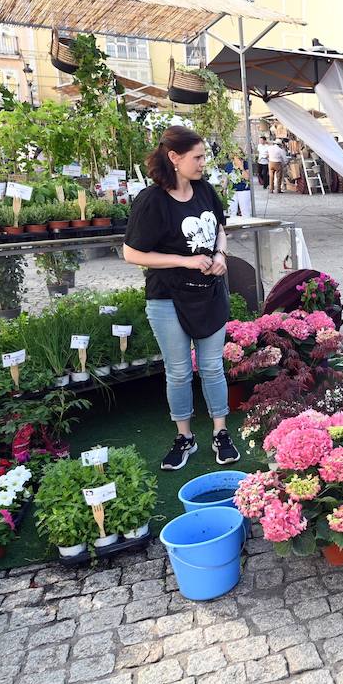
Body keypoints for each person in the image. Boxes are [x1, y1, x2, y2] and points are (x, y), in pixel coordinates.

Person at [123, 126, 240, 471]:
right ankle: (184, 437)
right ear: (174, 158)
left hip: (209, 296)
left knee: (212, 367)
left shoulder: (205, 190)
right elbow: (131, 253)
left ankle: (221, 433)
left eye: (204, 156)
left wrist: (220, 256)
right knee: (177, 372)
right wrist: (185, 260)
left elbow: (220, 228)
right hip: (167, 298)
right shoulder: (152, 201)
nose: (204, 163)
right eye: (198, 157)